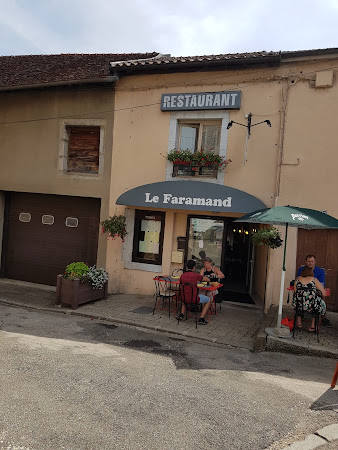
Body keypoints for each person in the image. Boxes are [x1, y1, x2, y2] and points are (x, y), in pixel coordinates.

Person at [297, 254, 331, 327]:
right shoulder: (302, 271)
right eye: (309, 261)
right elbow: (323, 291)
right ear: (306, 262)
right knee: (320, 299)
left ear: (315, 262)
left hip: (307, 295)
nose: (310, 263)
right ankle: (312, 322)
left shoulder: (320, 271)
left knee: (298, 297)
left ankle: (323, 317)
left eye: (312, 261)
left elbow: (321, 285)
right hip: (310, 296)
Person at [176, 259, 211, 325]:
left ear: (187, 267)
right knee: (209, 299)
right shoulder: (196, 275)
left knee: (186, 296)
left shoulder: (182, 276)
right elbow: (208, 279)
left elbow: (181, 285)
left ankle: (182, 314)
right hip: (194, 299)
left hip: (184, 298)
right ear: (194, 267)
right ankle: (202, 318)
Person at [293, 266, 326, 331]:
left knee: (297, 300)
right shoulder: (314, 279)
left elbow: (295, 291)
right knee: (319, 303)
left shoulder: (297, 279)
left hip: (299, 304)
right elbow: (323, 293)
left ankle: (299, 322)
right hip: (311, 305)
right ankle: (313, 325)